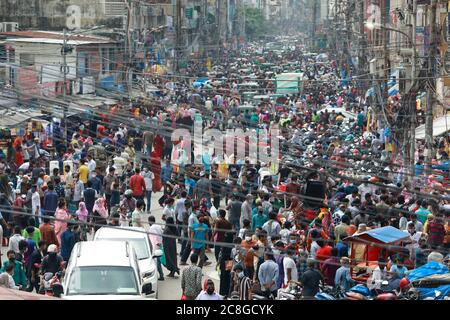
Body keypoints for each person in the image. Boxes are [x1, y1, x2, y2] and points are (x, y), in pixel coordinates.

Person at [148, 215, 164, 280]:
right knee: (158, 261)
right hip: (160, 244)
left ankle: (161, 275)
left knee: (156, 262)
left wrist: (156, 243)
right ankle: (161, 274)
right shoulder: (159, 226)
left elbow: (155, 236)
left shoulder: (151, 228)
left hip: (155, 246)